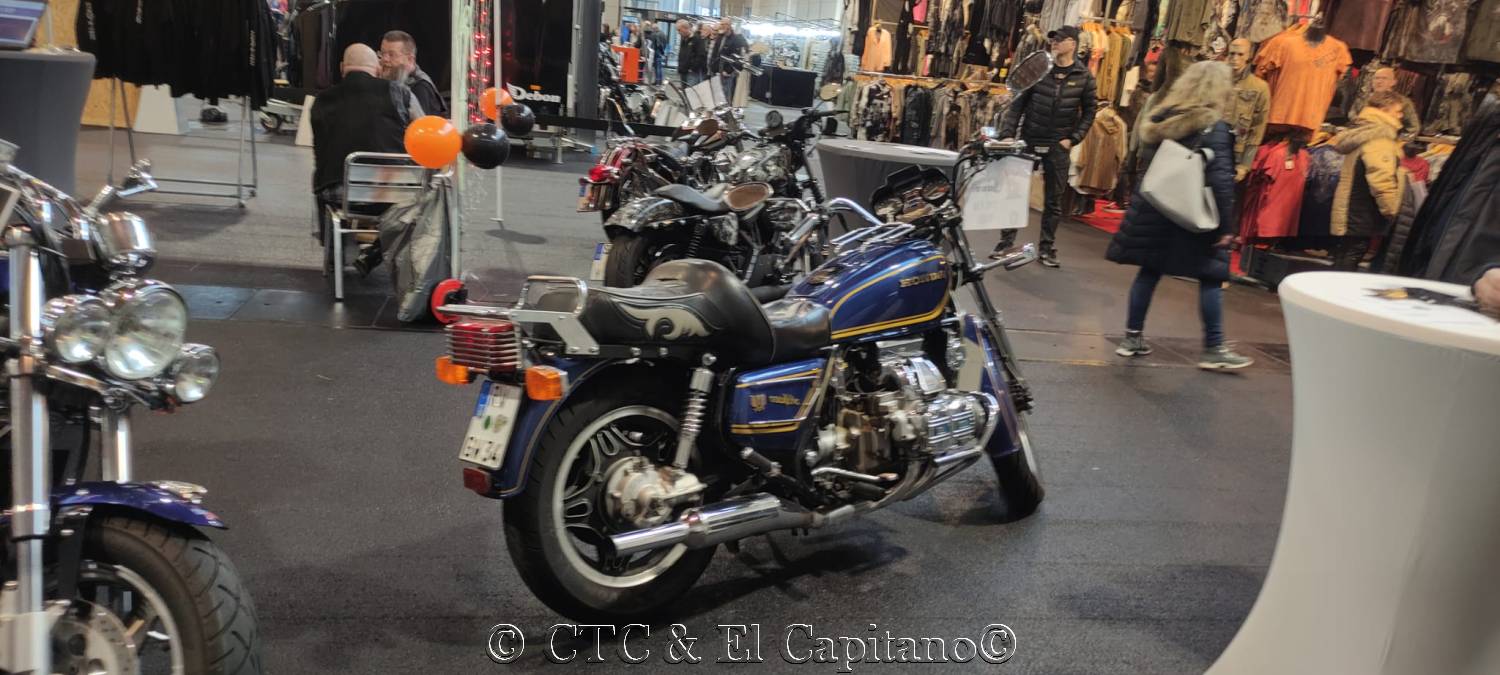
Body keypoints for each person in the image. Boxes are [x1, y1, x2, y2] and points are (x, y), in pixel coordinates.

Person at [1106, 61, 1255, 370]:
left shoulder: (1161, 118)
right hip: (1191, 212)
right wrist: (1226, 227)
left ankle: (1131, 338)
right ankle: (1214, 349)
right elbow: (1221, 181)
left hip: (1156, 207)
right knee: (1211, 276)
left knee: (1149, 270)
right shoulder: (1214, 127)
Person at [993, 25, 1098, 268]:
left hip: (1058, 144)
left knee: (1053, 200)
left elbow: (1090, 111)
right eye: (1053, 40)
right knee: (1015, 193)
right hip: (1029, 139)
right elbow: (1017, 104)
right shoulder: (1039, 70)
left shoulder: (1084, 77)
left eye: (1060, 40)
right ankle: (1005, 244)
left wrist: (1073, 138)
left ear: (1073, 44)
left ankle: (1047, 248)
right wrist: (1008, 134)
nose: (1054, 43)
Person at [311, 44, 420, 270]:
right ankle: (378, 252)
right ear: (378, 69)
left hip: (341, 194)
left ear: (342, 67)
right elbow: (422, 133)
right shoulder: (399, 92)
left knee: (320, 177)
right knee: (423, 198)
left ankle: (335, 256)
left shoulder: (321, 100)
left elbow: (320, 152)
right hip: (392, 193)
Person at [1327, 91, 1407, 272]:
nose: (1401, 115)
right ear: (1385, 110)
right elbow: (1381, 178)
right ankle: (1339, 289)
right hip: (1364, 206)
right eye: (1398, 111)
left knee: (1346, 251)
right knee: (1354, 251)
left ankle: (1332, 286)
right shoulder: (1380, 137)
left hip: (1353, 202)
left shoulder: (1364, 130)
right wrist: (1391, 209)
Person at [1226, 39, 1270, 182]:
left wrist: (1245, 164)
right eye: (1232, 53)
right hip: (1212, 145)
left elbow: (1258, 128)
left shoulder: (1259, 87)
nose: (1235, 58)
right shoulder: (1216, 80)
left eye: (1240, 54)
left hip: (1236, 152)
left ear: (1248, 56)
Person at [380, 30, 446, 119]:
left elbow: (420, 125)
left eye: (391, 55)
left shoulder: (420, 87)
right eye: (382, 53)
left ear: (410, 59)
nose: (384, 59)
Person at [1363, 67, 1420, 137]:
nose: (1379, 81)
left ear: (1393, 82)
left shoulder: (1403, 102)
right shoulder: (1363, 99)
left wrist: (1399, 141)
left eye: (1384, 78)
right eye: (1376, 78)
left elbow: (1413, 128)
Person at [710, 18, 747, 103]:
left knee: (725, 97)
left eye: (724, 24)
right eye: (721, 24)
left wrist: (728, 71)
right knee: (717, 97)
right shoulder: (720, 37)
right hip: (716, 71)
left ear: (729, 26)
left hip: (726, 73)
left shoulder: (736, 39)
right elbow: (715, 53)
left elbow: (736, 58)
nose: (721, 26)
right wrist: (713, 67)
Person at [676, 19, 707, 86]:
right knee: (684, 91)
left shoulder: (697, 39)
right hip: (683, 72)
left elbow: (701, 55)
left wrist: (692, 68)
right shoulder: (684, 39)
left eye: (679, 30)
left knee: (690, 91)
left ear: (685, 28)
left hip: (692, 73)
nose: (678, 32)